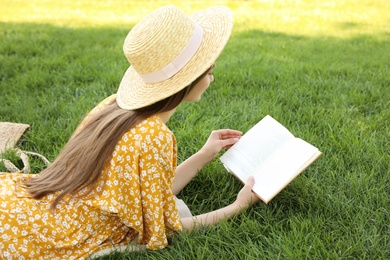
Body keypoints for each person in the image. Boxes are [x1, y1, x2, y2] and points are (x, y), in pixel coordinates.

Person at [0, 5, 259, 259]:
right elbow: (167, 229)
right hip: (66, 233)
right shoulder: (153, 137)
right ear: (187, 81)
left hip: (43, 207)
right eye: (208, 70)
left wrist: (204, 154)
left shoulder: (113, 105)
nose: (212, 76)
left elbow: (152, 197)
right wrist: (237, 207)